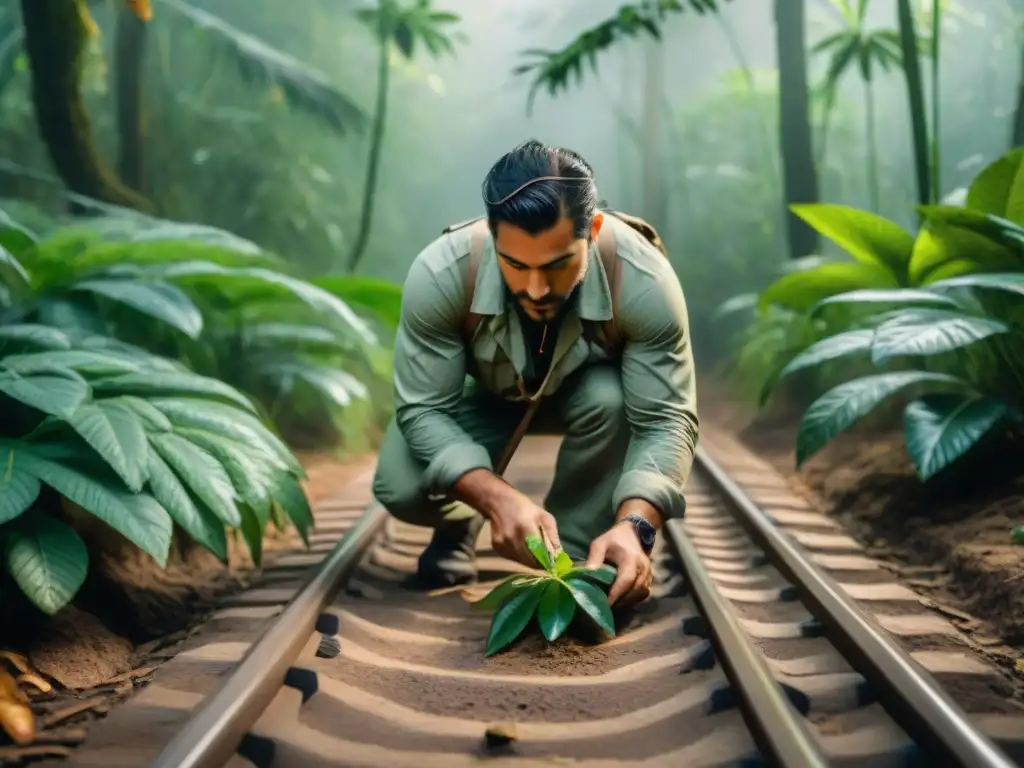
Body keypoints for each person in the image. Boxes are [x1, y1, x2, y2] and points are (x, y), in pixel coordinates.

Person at [371, 139, 699, 610]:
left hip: (591, 401)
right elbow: (423, 409)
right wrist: (496, 497)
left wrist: (637, 526)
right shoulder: (441, 274)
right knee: (400, 486)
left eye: (558, 265)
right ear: (492, 233)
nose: (536, 288)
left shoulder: (644, 281)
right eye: (515, 264)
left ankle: (586, 559)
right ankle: (462, 523)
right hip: (487, 397)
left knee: (610, 398)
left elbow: (667, 420)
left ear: (595, 229)